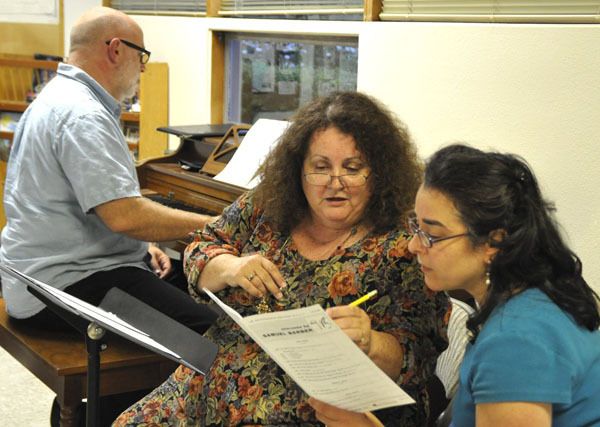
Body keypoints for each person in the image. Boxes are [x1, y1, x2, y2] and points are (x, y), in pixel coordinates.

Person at [114, 91, 450, 426]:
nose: (336, 183)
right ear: (298, 170)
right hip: (205, 389)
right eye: (320, 167)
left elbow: (417, 358)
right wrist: (229, 266)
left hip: (315, 412)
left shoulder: (405, 246)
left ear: (378, 173)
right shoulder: (267, 207)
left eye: (352, 168)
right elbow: (201, 247)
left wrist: (371, 342)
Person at [309, 144, 600, 426]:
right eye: (416, 227)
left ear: (493, 242)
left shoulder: (514, 342)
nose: (413, 246)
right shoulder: (533, 303)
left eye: (432, 235)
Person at [0, 6, 218, 334]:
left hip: (37, 275)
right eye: (141, 56)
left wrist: (142, 247)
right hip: (62, 288)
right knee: (216, 332)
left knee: (190, 284)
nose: (143, 69)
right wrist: (215, 225)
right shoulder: (83, 114)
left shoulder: (57, 96)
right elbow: (125, 216)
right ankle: (142, 387)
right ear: (116, 49)